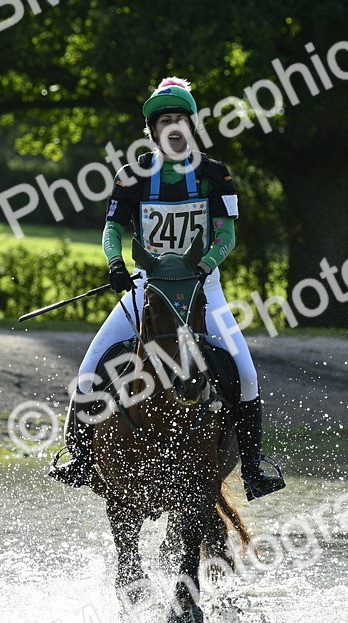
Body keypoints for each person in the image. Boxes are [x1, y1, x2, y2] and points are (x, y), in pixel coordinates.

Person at [50, 77, 285, 501]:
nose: (174, 127)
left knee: (246, 376)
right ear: (153, 131)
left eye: (180, 119)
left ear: (192, 125)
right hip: (147, 289)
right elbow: (112, 229)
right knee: (89, 371)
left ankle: (252, 466)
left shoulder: (215, 174)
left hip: (201, 289)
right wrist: (117, 264)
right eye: (165, 121)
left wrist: (204, 266)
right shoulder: (131, 176)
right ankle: (82, 458)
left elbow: (227, 234)